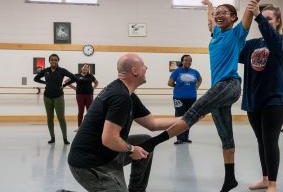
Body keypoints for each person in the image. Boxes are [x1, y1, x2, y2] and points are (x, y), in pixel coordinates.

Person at [139, 0, 265, 192]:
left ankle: (153, 143)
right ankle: (230, 179)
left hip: (229, 85)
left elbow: (251, 6)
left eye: (224, 13)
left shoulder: (238, 33)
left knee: (192, 113)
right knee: (226, 137)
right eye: (218, 13)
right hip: (219, 89)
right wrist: (209, 5)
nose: (218, 15)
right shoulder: (215, 33)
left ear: (233, 17)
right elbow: (210, 19)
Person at [68, 53, 178, 192]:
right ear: (134, 70)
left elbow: (153, 123)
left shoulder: (128, 94)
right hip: (89, 164)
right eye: (143, 66)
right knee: (137, 147)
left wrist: (188, 117)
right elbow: (109, 139)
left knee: (144, 142)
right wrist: (132, 149)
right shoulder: (120, 96)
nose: (147, 68)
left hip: (107, 153)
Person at [238, 3, 283, 192]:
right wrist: (219, 32)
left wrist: (258, 16)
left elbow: (271, 37)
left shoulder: (281, 41)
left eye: (269, 18)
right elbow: (233, 51)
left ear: (277, 22)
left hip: (275, 100)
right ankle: (266, 179)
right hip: (254, 99)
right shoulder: (252, 44)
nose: (265, 21)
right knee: (261, 141)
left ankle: (273, 184)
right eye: (263, 18)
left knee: (270, 140)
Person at [34, 54, 77, 145]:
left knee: (61, 118)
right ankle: (52, 138)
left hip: (58, 97)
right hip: (47, 97)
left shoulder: (62, 70)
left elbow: (74, 77)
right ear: (49, 61)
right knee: (50, 118)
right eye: (52, 60)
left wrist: (64, 85)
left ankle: (65, 138)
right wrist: (45, 82)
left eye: (55, 60)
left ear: (58, 61)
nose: (53, 61)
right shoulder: (46, 71)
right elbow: (36, 78)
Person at [168, 54, 202, 144]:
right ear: (182, 61)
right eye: (186, 60)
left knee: (189, 118)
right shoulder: (177, 71)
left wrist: (196, 87)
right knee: (179, 117)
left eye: (190, 60)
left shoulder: (195, 72)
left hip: (191, 97)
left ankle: (186, 137)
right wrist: (179, 86)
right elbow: (170, 83)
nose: (188, 62)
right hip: (179, 98)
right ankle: (179, 138)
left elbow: (200, 79)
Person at [67, 64, 99, 131]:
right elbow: (66, 81)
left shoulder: (91, 76)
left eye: (87, 68)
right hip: (80, 95)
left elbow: (96, 82)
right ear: (81, 68)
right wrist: (74, 88)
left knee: (89, 111)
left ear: (88, 70)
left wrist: (93, 88)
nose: (85, 69)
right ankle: (79, 127)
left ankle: (89, 127)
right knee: (81, 111)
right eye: (84, 67)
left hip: (89, 95)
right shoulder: (76, 75)